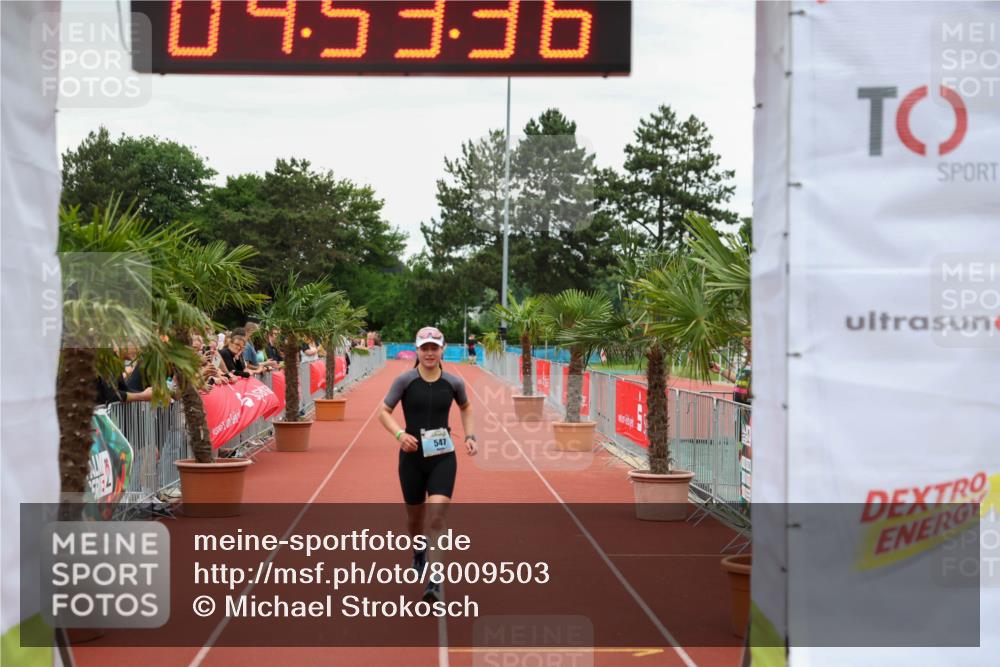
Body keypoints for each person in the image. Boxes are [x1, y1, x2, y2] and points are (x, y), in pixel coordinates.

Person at [378, 326, 477, 603]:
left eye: (435, 347)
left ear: (442, 349)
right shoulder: (405, 380)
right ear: (418, 350)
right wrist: (400, 434)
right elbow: (383, 412)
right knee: (415, 519)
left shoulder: (453, 383)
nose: (430, 353)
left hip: (443, 456)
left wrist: (470, 435)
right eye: (425, 348)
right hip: (411, 458)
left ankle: (434, 578)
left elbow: (466, 407)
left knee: (436, 516)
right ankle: (418, 548)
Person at [710, 336, 752, 405]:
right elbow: (737, 379)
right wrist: (720, 370)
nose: (747, 340)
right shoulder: (744, 358)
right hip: (740, 409)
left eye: (749, 335)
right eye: (745, 336)